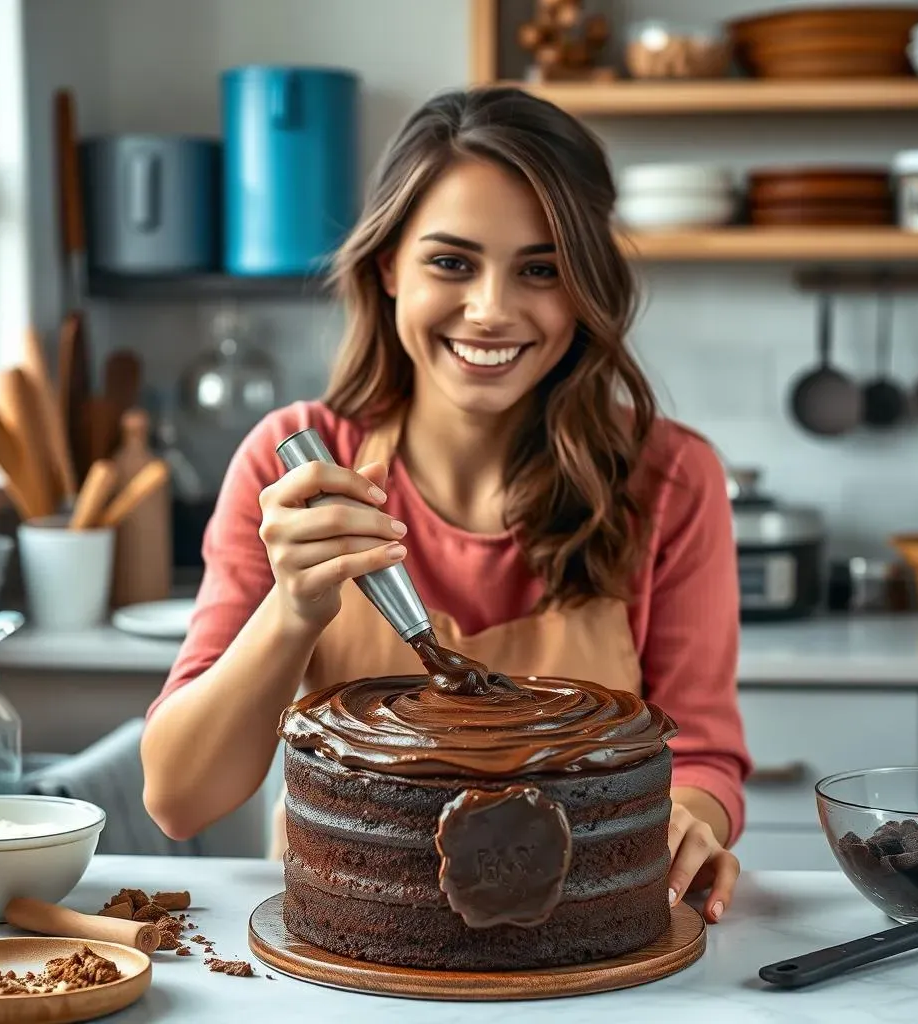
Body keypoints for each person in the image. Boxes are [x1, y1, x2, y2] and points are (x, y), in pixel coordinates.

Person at [141, 86, 752, 925]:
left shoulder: (672, 477)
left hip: (581, 947)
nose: (492, 309)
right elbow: (179, 798)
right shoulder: (295, 465)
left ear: (586, 288)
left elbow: (706, 755)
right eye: (451, 262)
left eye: (541, 269)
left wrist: (692, 816)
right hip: (349, 957)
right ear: (389, 263)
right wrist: (293, 609)